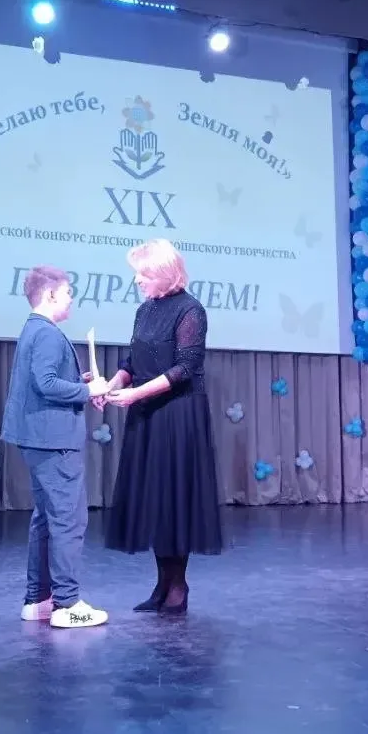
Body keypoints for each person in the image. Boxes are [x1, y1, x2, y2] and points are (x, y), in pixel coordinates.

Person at [100, 238, 222, 614]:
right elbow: (132, 360)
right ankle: (162, 584)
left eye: (143, 273)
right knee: (153, 500)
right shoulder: (145, 310)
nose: (137, 280)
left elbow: (185, 369)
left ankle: (178, 585)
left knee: (174, 501)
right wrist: (112, 385)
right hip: (148, 413)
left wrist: (135, 395)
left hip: (178, 415)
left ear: (165, 273)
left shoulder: (190, 310)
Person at [0, 266, 113, 629]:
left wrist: (78, 384)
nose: (71, 300)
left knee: (48, 519)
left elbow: (44, 381)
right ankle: (67, 603)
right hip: (53, 438)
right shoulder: (47, 333)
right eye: (68, 293)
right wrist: (89, 390)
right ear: (50, 295)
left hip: (39, 437)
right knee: (67, 519)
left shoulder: (35, 329)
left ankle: (39, 599)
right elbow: (45, 383)